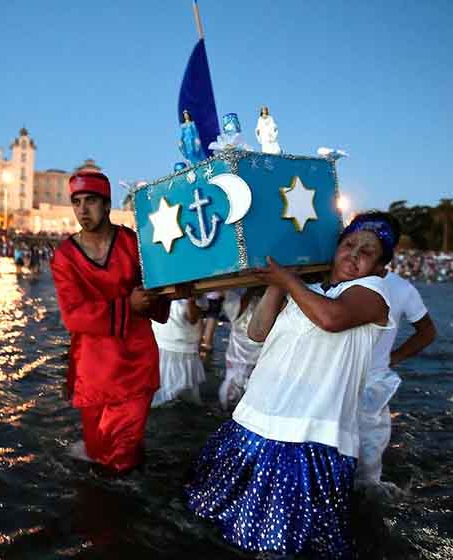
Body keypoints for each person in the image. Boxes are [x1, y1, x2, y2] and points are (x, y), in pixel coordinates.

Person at [185, 212, 397, 557]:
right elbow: (257, 332)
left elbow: (331, 318)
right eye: (349, 245)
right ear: (335, 248)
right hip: (254, 421)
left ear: (381, 268)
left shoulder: (375, 293)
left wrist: (287, 279)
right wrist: (278, 282)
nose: (354, 254)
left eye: (368, 251)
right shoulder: (307, 289)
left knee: (284, 545)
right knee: (220, 528)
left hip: (308, 438)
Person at [51, 171, 170, 474]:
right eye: (77, 202)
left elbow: (157, 286)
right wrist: (129, 305)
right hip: (93, 369)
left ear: (106, 205)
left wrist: (169, 290)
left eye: (90, 201)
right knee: (97, 450)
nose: (82, 210)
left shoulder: (132, 243)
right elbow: (73, 315)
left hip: (135, 365)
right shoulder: (64, 256)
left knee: (122, 455)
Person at [356, 269, 436, 494]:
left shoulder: (401, 288)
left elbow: (427, 332)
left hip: (372, 387)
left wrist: (393, 358)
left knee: (366, 477)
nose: (356, 255)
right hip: (339, 382)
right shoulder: (334, 276)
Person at [151, 296, 207, 407]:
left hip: (183, 346)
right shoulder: (160, 291)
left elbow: (193, 319)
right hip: (162, 343)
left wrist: (191, 299)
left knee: (178, 390)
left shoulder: (196, 294)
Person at [217, 287, 264, 410]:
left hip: (257, 358)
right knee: (229, 398)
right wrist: (253, 289)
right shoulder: (236, 298)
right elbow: (239, 310)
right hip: (238, 356)